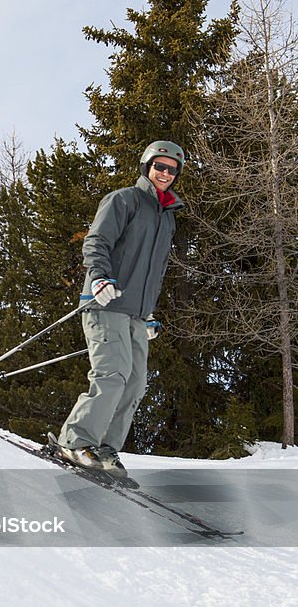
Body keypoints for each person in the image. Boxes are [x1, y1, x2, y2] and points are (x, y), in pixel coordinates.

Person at [56, 140, 185, 475]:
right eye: (159, 166)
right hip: (106, 302)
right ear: (147, 166)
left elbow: (154, 271)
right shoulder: (123, 199)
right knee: (112, 374)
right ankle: (75, 441)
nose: (165, 173)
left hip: (137, 314)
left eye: (171, 169)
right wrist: (98, 277)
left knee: (135, 382)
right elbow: (97, 241)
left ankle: (105, 448)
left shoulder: (167, 219)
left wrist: (149, 313)